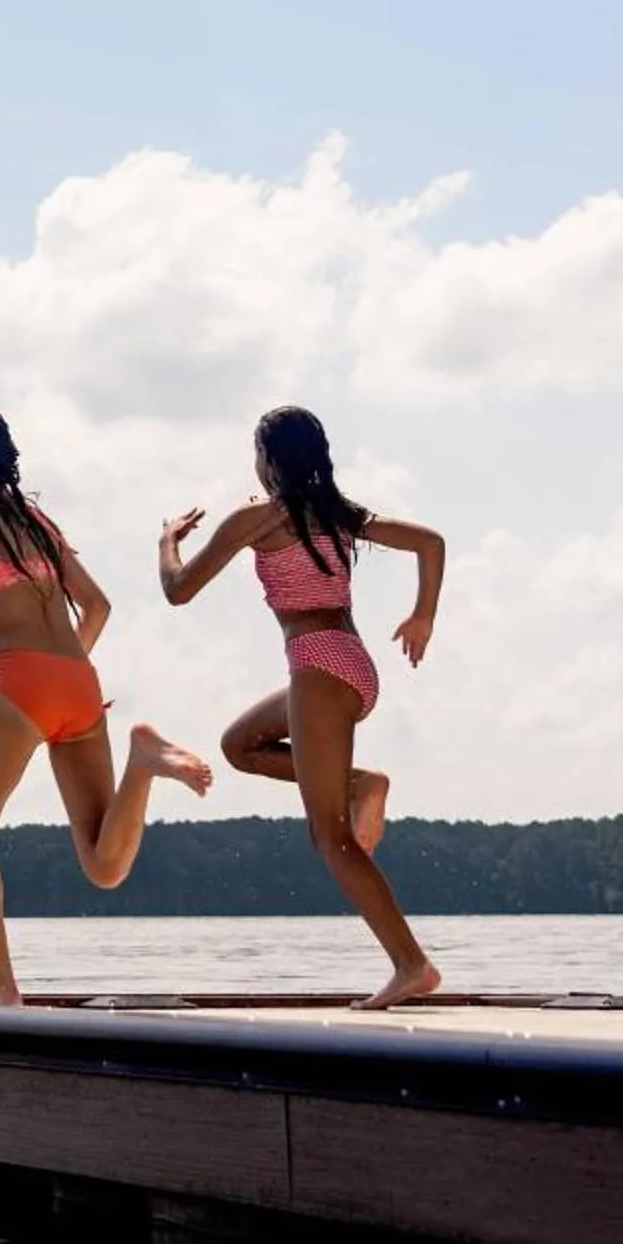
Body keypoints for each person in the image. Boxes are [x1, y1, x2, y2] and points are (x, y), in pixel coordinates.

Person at [0, 403, 214, 1007]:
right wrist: (62, 673)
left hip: (23, 679)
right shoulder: (39, 524)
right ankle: (144, 761)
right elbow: (99, 605)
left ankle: (2, 987)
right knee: (104, 865)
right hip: (79, 682)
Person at [159, 405, 444, 1011]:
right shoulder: (340, 516)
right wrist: (424, 614)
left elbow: (178, 591)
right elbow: (429, 542)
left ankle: (410, 963)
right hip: (347, 665)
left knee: (331, 838)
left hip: (318, 668)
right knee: (240, 745)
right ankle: (361, 783)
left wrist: (167, 544)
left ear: (267, 459)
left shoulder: (258, 519)